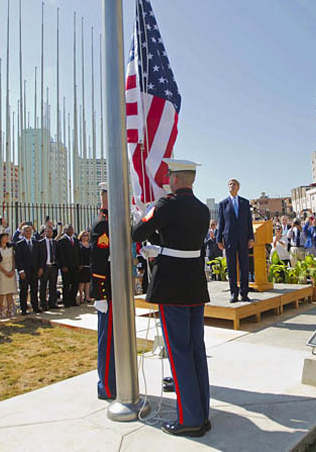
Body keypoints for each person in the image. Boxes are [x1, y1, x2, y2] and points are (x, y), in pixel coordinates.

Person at [132, 158, 211, 437]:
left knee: (179, 352)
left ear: (176, 180)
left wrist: (146, 215)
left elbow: (137, 232)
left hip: (173, 287)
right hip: (194, 286)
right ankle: (202, 412)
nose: (167, 179)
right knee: (195, 350)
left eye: (169, 176)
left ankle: (190, 418)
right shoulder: (203, 210)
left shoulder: (166, 205)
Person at [90, 182, 116, 400]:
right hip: (107, 291)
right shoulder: (103, 225)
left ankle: (116, 382)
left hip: (117, 290)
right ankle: (106, 387)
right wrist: (100, 295)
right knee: (107, 342)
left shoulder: (114, 221)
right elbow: (98, 263)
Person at [217, 178, 254, 303]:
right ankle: (234, 293)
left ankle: (244, 293)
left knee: (244, 266)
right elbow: (220, 223)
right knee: (231, 267)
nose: (231, 186)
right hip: (229, 239)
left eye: (234, 184)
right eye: (229, 184)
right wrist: (219, 239)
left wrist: (251, 237)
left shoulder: (244, 202)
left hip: (243, 238)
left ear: (238, 187)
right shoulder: (223, 204)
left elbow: (249, 222)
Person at [15, 224, 42, 315]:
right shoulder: (19, 244)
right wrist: (21, 271)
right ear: (22, 232)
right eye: (26, 231)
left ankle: (35, 307)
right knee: (24, 290)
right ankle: (23, 308)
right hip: (24, 272)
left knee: (34, 290)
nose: (28, 232)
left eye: (29, 231)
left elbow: (39, 257)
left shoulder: (36, 243)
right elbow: (18, 259)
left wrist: (40, 268)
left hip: (34, 271)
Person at [57, 225, 81, 308]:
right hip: (66, 267)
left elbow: (78, 253)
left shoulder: (75, 240)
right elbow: (61, 254)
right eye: (69, 229)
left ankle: (72, 300)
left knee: (75, 284)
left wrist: (79, 264)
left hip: (75, 266)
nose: (71, 230)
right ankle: (66, 301)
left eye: (72, 229)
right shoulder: (62, 241)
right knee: (66, 284)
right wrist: (63, 265)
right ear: (65, 230)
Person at [38, 226, 60, 310]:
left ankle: (52, 303)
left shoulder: (55, 243)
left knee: (53, 286)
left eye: (50, 231)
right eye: (47, 231)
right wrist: (40, 268)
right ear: (44, 233)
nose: (49, 233)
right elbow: (39, 256)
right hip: (44, 267)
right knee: (43, 286)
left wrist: (57, 264)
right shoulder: (40, 243)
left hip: (53, 267)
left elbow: (57, 254)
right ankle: (43, 304)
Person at [0, 233, 18, 318]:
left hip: (11, 270)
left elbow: (13, 259)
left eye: (7, 237)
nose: (6, 238)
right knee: (2, 291)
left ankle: (10, 308)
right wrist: (5, 271)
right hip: (2, 272)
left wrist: (12, 269)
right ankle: (2, 309)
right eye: (4, 237)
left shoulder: (10, 248)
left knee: (10, 291)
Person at [77, 230, 92, 304]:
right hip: (82, 266)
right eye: (84, 235)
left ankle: (87, 296)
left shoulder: (90, 245)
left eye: (86, 235)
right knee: (81, 282)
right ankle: (81, 297)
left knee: (88, 282)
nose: (85, 237)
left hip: (88, 265)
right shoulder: (79, 245)